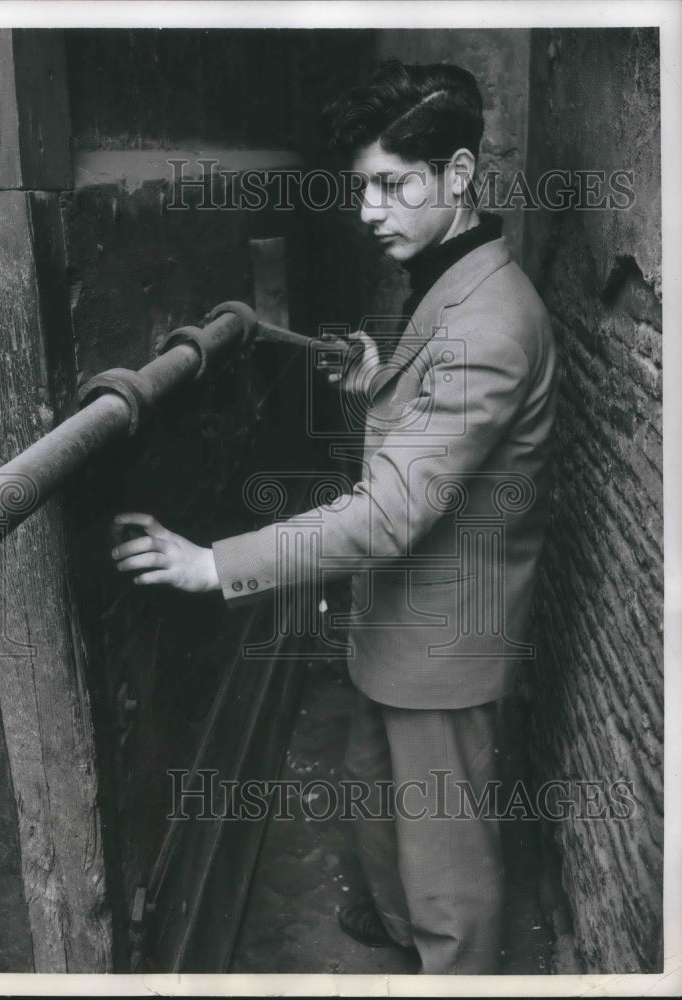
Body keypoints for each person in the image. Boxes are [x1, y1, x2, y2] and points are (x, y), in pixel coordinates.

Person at [110, 60, 557, 975]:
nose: (368, 210)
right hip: (394, 624)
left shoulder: (489, 325)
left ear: (459, 178)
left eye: (392, 185)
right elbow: (430, 449)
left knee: (446, 861)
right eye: (363, 188)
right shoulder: (449, 281)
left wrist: (213, 563)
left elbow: (394, 512)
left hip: (442, 642)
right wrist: (373, 394)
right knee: (374, 792)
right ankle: (399, 928)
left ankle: (454, 967)